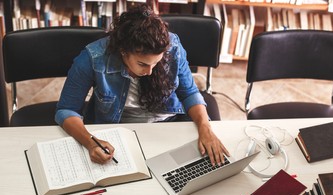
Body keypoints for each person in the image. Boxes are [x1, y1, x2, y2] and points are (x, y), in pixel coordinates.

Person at [55, 4, 229, 165]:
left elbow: (189, 92)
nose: (150, 71)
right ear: (123, 51)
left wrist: (205, 128)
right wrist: (90, 142)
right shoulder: (93, 57)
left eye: (156, 63)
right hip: (117, 130)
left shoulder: (173, 47)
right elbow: (66, 110)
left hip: (168, 124)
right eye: (142, 64)